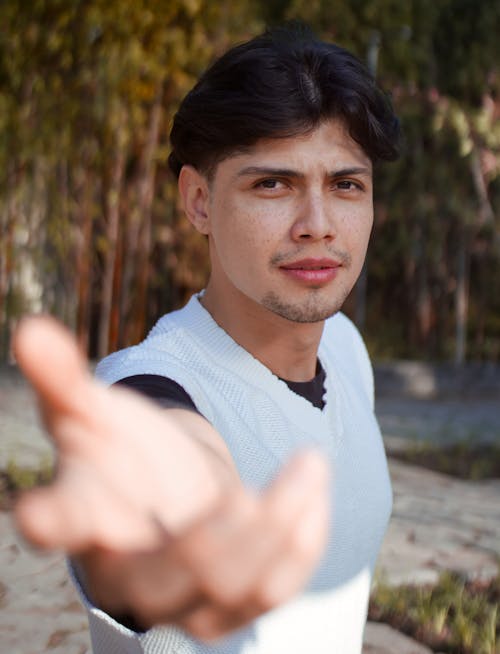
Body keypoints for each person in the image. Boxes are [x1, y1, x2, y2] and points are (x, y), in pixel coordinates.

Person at [13, 24, 400, 654]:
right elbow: (163, 459)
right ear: (198, 201)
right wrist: (178, 530)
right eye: (272, 184)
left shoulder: (346, 349)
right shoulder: (145, 388)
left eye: (345, 184)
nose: (318, 226)